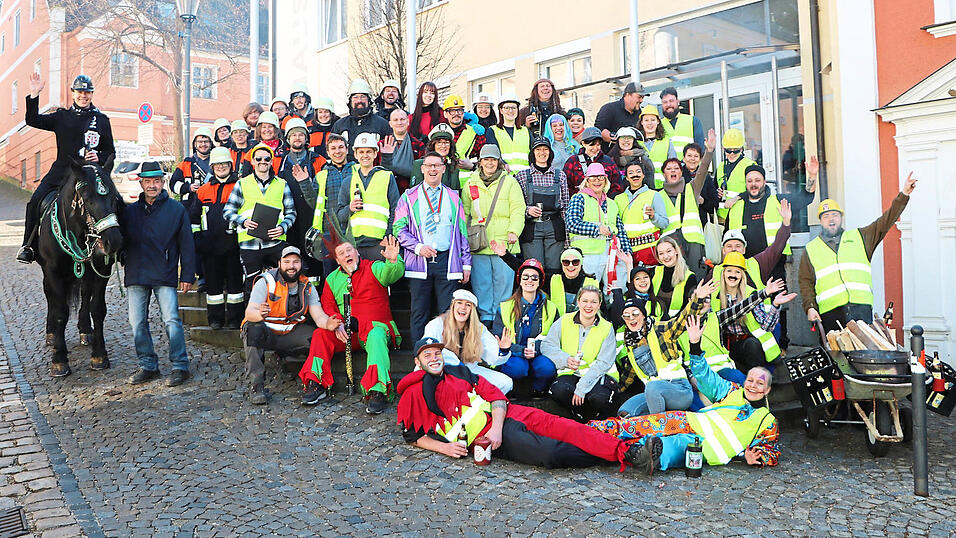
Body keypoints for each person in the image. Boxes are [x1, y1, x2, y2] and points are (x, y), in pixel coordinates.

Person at [397, 336, 647, 470]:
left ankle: (629, 451)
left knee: (566, 426)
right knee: (551, 453)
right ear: (418, 361)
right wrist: (446, 449)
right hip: (485, 441)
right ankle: (607, 457)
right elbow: (413, 436)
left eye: (437, 353)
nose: (434, 358)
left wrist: (496, 427)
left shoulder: (459, 372)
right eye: (427, 355)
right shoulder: (412, 392)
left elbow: (495, 394)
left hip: (504, 420)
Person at [589, 318, 781, 474]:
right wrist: (695, 346)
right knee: (635, 425)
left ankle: (633, 453)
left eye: (760, 383)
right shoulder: (732, 391)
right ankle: (590, 430)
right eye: (750, 380)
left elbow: (771, 449)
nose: (753, 386)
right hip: (685, 421)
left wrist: (755, 457)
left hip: (702, 448)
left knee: (663, 449)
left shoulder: (767, 420)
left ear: (767, 390)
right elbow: (705, 375)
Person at [18, 73, 116, 264]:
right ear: (73, 93)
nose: (83, 96)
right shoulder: (62, 116)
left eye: (87, 92)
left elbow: (110, 150)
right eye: (79, 92)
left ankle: (120, 248)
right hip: (62, 172)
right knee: (35, 201)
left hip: (91, 174)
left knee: (115, 201)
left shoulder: (101, 120)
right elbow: (32, 119)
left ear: (92, 94)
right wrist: (33, 94)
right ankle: (28, 246)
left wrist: (100, 157)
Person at [300, 236, 405, 414]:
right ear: (337, 259)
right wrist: (335, 323)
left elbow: (390, 274)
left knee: (376, 335)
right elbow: (329, 306)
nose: (347, 254)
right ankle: (315, 382)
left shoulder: (374, 267)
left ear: (356, 252)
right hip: (347, 332)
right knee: (320, 334)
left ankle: (376, 390)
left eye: (349, 250)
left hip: (375, 329)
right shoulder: (332, 279)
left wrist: (393, 261)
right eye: (341, 253)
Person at [801, 173, 917, 332]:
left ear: (841, 218)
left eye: (835, 215)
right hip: (829, 314)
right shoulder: (811, 249)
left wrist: (903, 195)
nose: (831, 219)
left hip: (861, 310)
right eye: (826, 216)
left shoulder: (861, 237)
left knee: (863, 356)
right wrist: (810, 307)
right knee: (836, 356)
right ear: (820, 221)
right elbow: (805, 283)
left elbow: (885, 221)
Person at [724, 159, 817, 349]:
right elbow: (727, 236)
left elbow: (806, 197)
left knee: (777, 303)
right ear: (746, 183)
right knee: (748, 304)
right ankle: (753, 344)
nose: (753, 184)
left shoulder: (778, 201)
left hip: (774, 263)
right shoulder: (736, 207)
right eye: (749, 181)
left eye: (757, 180)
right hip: (746, 267)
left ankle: (781, 345)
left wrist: (812, 176)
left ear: (764, 182)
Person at [123, 161, 195, 387]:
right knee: (137, 322)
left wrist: (188, 275)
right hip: (136, 272)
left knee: (172, 320)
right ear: (141, 183)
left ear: (163, 182)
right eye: (147, 181)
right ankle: (148, 365)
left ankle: (180, 366)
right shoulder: (130, 211)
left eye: (156, 181)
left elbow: (187, 244)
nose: (152, 185)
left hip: (164, 272)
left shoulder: (176, 210)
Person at [241, 246, 342, 405]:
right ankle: (257, 385)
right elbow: (249, 313)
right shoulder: (265, 281)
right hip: (266, 332)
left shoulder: (307, 286)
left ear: (301, 264)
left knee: (316, 339)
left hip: (290, 332)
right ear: (279, 263)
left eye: (295, 262)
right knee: (254, 330)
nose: (291, 266)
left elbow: (319, 316)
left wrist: (329, 323)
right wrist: (260, 313)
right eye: (287, 261)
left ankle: (287, 361)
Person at [393, 152, 472, 343]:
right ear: (422, 169)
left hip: (447, 260)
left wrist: (466, 264)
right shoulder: (409, 197)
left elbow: (462, 232)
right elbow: (398, 229)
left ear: (444, 169)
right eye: (429, 166)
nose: (433, 169)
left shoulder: (453, 197)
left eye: (437, 165)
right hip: (419, 261)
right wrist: (418, 247)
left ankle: (447, 357)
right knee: (419, 312)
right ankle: (419, 358)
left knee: (448, 313)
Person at [615, 279, 713, 417]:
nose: (631, 318)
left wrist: (698, 299)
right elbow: (630, 373)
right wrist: (615, 390)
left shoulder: (660, 329)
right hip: (653, 392)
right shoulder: (631, 342)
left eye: (635, 314)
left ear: (643, 315)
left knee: (652, 388)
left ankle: (659, 431)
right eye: (626, 315)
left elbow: (682, 319)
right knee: (626, 412)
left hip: (680, 390)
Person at [462, 145, 526, 325]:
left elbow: (518, 209)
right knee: (481, 284)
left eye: (493, 159)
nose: (489, 163)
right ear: (480, 162)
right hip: (479, 243)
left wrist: (514, 231)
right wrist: (465, 236)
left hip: (504, 242)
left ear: (499, 162)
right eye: (486, 159)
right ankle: (486, 319)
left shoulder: (510, 182)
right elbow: (465, 213)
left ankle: (502, 318)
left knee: (503, 284)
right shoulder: (470, 183)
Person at [223, 143, 297, 290]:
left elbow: (291, 213)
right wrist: (243, 222)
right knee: (253, 287)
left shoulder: (282, 184)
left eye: (266, 159)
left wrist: (282, 228)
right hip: (249, 244)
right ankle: (252, 313)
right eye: (258, 159)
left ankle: (282, 313)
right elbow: (228, 212)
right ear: (252, 161)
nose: (262, 161)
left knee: (284, 284)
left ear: (271, 161)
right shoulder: (242, 184)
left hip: (275, 244)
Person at [542, 286, 619, 421]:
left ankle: (592, 419)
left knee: (598, 398)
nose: (588, 306)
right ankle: (583, 416)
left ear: (599, 305)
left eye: (594, 302)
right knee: (559, 390)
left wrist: (582, 388)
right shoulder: (565, 320)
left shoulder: (607, 327)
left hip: (599, 375)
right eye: (585, 301)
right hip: (572, 373)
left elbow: (604, 363)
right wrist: (565, 359)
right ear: (578, 302)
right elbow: (546, 345)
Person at [711, 252, 795, 373]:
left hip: (750, 344)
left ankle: (757, 379)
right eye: (729, 271)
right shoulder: (715, 296)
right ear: (723, 273)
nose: (733, 275)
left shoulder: (751, 294)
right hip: (727, 347)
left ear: (742, 275)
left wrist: (775, 305)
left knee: (751, 345)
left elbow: (767, 326)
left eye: (737, 272)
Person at [190, 147, 244, 330]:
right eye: (217, 164)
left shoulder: (240, 187)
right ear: (212, 167)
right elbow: (194, 217)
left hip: (233, 245)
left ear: (230, 165)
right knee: (213, 287)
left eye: (224, 164)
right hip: (209, 247)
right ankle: (215, 319)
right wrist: (198, 238)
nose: (221, 167)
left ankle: (236, 319)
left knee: (236, 285)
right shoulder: (203, 190)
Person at [422, 290, 513, 395]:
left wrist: (503, 350)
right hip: (442, 370)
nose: (463, 307)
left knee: (505, 382)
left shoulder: (479, 328)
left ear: (472, 310)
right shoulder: (436, 324)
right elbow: (428, 350)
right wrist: (457, 366)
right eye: (459, 303)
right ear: (453, 306)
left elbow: (492, 358)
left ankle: (477, 404)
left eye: (468, 305)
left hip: (469, 370)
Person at [492, 259, 560, 397]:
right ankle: (514, 390)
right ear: (520, 280)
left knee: (547, 368)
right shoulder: (505, 307)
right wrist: (521, 351)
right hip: (514, 352)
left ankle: (538, 390)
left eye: (535, 277)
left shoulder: (551, 308)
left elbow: (556, 338)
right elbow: (498, 337)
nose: (530, 280)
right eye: (526, 277)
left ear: (540, 281)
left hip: (540, 352)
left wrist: (537, 349)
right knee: (518, 368)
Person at [565, 163, 632, 293]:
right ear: (587, 181)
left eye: (601, 177)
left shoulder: (612, 203)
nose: (597, 181)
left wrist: (627, 252)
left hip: (613, 254)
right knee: (589, 292)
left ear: (605, 180)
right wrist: (597, 229)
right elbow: (571, 223)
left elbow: (620, 231)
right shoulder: (579, 198)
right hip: (589, 255)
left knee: (616, 291)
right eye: (593, 177)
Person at [275, 117, 327, 278]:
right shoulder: (279, 162)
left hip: (311, 216)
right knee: (292, 257)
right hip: (289, 217)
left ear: (306, 138)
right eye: (293, 135)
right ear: (288, 139)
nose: (297, 138)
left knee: (313, 259)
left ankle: (314, 296)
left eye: (301, 135)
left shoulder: (318, 160)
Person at [336, 132, 400, 261]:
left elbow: (396, 210)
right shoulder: (348, 181)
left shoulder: (387, 177)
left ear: (375, 154)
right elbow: (340, 216)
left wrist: (388, 236)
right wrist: (350, 208)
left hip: (379, 244)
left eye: (369, 152)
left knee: (380, 280)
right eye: (361, 152)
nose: (365, 155)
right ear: (355, 155)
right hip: (355, 245)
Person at [515, 137, 569, 277]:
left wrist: (567, 238)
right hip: (531, 228)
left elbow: (565, 207)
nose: (542, 152)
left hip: (554, 227)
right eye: (538, 149)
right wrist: (528, 210)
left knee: (555, 270)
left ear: (550, 153)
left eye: (545, 149)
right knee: (534, 269)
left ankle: (553, 297)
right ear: (532, 153)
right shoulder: (522, 176)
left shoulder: (560, 176)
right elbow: (515, 206)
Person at [307, 133, 354, 276]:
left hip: (353, 229)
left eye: (341, 147)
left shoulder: (357, 170)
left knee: (355, 271)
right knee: (331, 274)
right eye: (333, 148)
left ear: (347, 149)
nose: (337, 151)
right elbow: (313, 202)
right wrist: (304, 183)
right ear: (327, 152)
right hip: (329, 232)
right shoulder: (321, 175)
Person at [614, 160, 668, 266]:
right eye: (631, 173)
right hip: (627, 250)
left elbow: (664, 223)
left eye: (638, 171)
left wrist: (654, 216)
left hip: (650, 249)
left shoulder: (654, 195)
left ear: (643, 175)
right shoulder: (618, 199)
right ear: (626, 177)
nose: (635, 175)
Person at [659, 158, 706, 276]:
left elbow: (703, 171)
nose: (673, 171)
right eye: (669, 169)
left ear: (681, 172)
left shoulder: (692, 188)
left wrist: (709, 151)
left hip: (693, 242)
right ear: (664, 174)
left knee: (696, 278)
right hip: (670, 245)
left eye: (676, 168)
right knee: (677, 280)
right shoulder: (657, 196)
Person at [332, 79, 392, 152]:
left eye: (363, 96)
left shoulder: (382, 124)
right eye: (355, 97)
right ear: (350, 101)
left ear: (369, 100)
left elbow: (388, 152)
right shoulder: (340, 125)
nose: (359, 100)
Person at [562, 127, 623, 197]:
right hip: (580, 203)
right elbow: (566, 186)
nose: (595, 148)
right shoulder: (573, 161)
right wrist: (577, 199)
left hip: (604, 203)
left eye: (598, 145)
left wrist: (606, 199)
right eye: (592, 145)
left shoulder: (608, 161)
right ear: (583, 143)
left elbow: (617, 185)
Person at [650, 236, 698, 321]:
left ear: (676, 251)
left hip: (677, 326)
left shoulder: (690, 277)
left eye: (669, 251)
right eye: (661, 253)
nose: (665, 256)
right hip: (654, 325)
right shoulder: (655, 272)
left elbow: (689, 308)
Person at [442, 95, 488, 183]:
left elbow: (487, 161)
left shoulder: (475, 134)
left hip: (468, 187)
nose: (456, 114)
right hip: (444, 186)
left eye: (459, 110)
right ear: (445, 114)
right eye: (452, 111)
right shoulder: (439, 133)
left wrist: (472, 166)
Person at [715, 128, 757, 221]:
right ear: (723, 149)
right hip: (722, 217)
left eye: (736, 150)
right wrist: (717, 193)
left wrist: (737, 198)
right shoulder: (721, 166)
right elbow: (714, 189)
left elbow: (757, 190)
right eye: (728, 151)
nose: (732, 154)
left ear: (742, 149)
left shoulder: (750, 165)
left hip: (743, 216)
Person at [380, 108, 426, 192]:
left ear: (408, 121)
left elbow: (421, 172)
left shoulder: (418, 145)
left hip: (410, 192)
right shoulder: (382, 144)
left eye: (402, 119)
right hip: (386, 191)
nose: (399, 122)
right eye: (395, 120)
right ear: (390, 124)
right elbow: (378, 171)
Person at [594, 81, 648, 148]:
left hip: (634, 156)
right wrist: (619, 141)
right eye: (639, 97)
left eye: (643, 97)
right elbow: (599, 131)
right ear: (628, 95)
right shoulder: (609, 109)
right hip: (611, 156)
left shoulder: (640, 113)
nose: (641, 100)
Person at [170, 127, 213, 207]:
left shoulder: (217, 163)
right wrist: (188, 187)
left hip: (212, 206)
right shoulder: (186, 163)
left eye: (206, 141)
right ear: (195, 144)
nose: (203, 144)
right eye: (200, 141)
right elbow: (173, 184)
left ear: (211, 144)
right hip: (189, 208)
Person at [547, 247, 598, 315]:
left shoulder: (592, 282)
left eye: (575, 262)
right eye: (566, 262)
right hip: (559, 323)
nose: (570, 266)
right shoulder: (553, 280)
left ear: (581, 263)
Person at [637, 106, 677, 189]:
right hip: (642, 188)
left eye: (653, 120)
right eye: (646, 120)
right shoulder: (637, 143)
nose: (650, 123)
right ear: (641, 122)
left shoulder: (666, 142)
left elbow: (673, 165)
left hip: (663, 188)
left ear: (658, 121)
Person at [490, 94, 532, 174]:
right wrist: (503, 164)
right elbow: (492, 154)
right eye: (506, 108)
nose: (510, 111)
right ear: (501, 110)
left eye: (513, 108)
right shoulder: (493, 130)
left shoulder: (526, 131)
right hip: (503, 176)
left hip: (525, 177)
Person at [409, 124, 459, 190]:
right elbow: (414, 192)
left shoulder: (454, 167)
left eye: (446, 142)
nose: (443, 146)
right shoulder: (419, 164)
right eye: (439, 142)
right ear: (433, 145)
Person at [658, 87, 705, 155]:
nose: (668, 104)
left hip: (690, 165)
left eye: (671, 101)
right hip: (668, 165)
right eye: (665, 102)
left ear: (678, 102)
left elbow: (700, 149)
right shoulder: (658, 124)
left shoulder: (693, 121)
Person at [682, 142, 719, 225]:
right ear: (684, 158)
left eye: (696, 156)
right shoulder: (679, 176)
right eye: (689, 156)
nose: (692, 159)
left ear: (700, 159)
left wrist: (703, 201)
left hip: (702, 224)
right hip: (682, 222)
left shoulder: (707, 178)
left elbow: (715, 204)